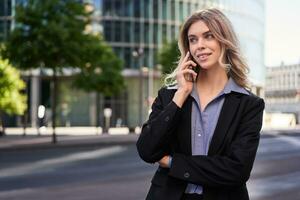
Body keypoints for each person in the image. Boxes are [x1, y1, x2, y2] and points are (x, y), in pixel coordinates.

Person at [136, 8, 265, 200]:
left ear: (224, 41)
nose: (200, 45)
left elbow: (237, 170)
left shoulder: (249, 104)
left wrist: (173, 162)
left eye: (208, 36)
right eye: (193, 39)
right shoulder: (170, 95)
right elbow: (147, 150)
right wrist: (181, 94)